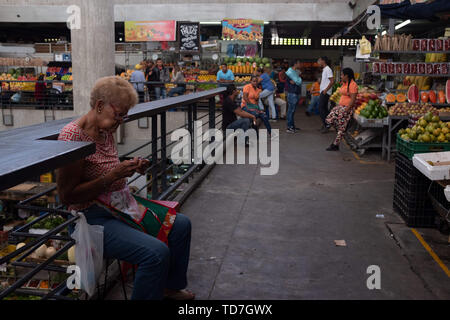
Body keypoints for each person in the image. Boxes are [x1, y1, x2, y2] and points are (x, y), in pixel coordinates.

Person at [56, 76, 194, 300]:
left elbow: (107, 170)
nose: (120, 121)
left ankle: (170, 286)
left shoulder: (105, 131)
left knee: (181, 225)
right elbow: (67, 195)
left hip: (119, 206)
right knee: (155, 254)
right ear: (100, 106)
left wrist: (131, 167)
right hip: (91, 218)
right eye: (118, 114)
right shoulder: (73, 136)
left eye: (123, 116)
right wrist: (113, 175)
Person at [325, 68, 358, 151]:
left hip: (347, 108)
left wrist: (346, 110)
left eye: (342, 75)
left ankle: (335, 144)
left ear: (346, 76)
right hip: (341, 106)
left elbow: (353, 99)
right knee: (329, 119)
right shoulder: (344, 83)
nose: (341, 76)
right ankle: (342, 131)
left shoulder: (353, 85)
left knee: (341, 127)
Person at [317, 56, 335, 133]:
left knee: (321, 109)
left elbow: (332, 81)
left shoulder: (328, 69)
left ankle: (327, 125)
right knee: (324, 109)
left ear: (323, 61)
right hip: (323, 91)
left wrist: (326, 90)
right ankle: (328, 124)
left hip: (325, 92)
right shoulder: (325, 69)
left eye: (319, 60)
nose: (318, 62)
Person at [285, 60, 302, 133]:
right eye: (299, 63)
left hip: (294, 92)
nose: (300, 64)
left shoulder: (294, 71)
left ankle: (292, 126)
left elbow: (297, 81)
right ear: (295, 64)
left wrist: (297, 79)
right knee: (290, 111)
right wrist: (299, 79)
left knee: (292, 111)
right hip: (292, 93)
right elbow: (299, 81)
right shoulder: (290, 72)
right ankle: (289, 127)